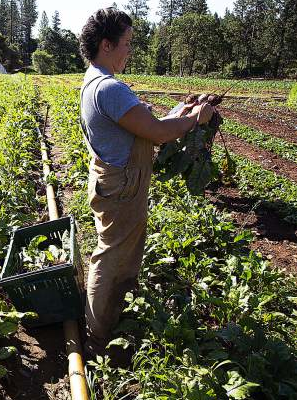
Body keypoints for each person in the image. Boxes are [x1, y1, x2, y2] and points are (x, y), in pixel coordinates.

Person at [79, 8, 213, 356]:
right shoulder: (110, 88)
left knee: (121, 250)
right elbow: (155, 133)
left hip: (118, 179)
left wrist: (177, 114)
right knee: (110, 255)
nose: (129, 50)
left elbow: (144, 127)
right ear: (106, 45)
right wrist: (195, 120)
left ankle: (115, 312)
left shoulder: (94, 80)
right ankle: (98, 332)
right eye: (126, 43)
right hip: (123, 183)